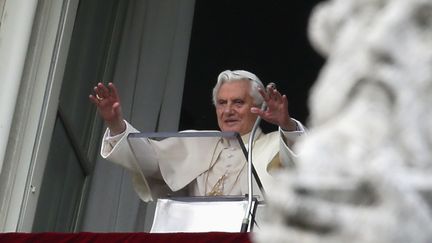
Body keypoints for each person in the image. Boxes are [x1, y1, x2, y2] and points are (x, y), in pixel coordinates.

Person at [89, 70, 305, 202]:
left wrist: (285, 124)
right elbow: (150, 161)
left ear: (257, 107)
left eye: (238, 102)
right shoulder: (196, 142)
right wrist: (115, 124)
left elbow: (302, 162)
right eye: (222, 103)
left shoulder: (274, 146)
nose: (228, 110)